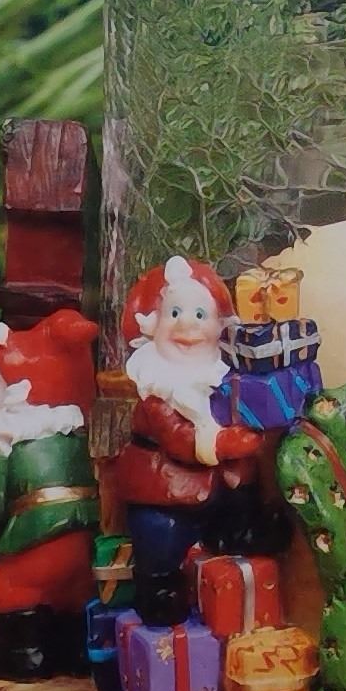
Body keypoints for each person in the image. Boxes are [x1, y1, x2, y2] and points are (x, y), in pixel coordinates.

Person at [113, 256, 265, 625]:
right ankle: (158, 585)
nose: (187, 326)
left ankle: (238, 534)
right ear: (153, 325)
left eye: (200, 315)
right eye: (174, 313)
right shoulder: (158, 389)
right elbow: (178, 438)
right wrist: (225, 444)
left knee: (240, 500)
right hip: (165, 492)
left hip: (217, 490)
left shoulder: (221, 379)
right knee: (160, 534)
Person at [0, 307, 100, 680]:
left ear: (18, 394)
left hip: (37, 545)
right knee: (74, 594)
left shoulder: (8, 447)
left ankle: (27, 656)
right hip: (82, 544)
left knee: (12, 587)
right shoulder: (74, 439)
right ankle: (74, 652)